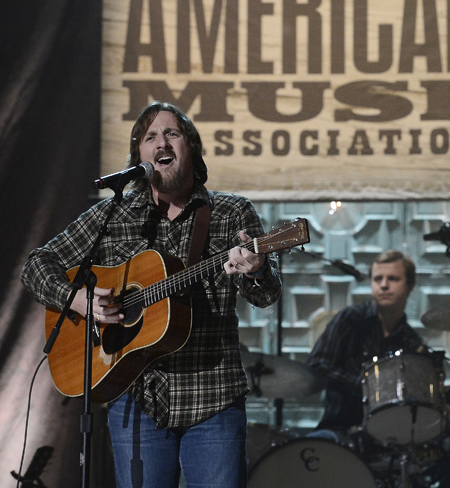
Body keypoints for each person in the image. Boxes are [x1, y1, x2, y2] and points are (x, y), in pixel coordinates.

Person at [21, 101, 282, 488]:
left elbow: (265, 296)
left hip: (212, 394)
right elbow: (36, 266)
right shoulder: (114, 214)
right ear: (139, 156)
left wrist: (258, 269)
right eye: (150, 137)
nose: (162, 142)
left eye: (172, 134)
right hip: (135, 395)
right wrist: (80, 301)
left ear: (190, 148)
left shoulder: (230, 213)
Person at [307, 249, 450, 487]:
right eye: (377, 279)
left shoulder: (412, 343)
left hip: (392, 439)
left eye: (392, 279)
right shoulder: (350, 320)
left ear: (410, 285)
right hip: (340, 428)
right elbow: (317, 366)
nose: (383, 285)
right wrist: (365, 385)